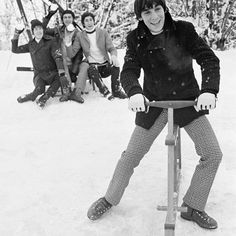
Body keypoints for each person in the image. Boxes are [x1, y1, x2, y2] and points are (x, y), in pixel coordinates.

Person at [87, 0, 222, 230]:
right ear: (140, 16)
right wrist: (134, 92)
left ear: (164, 9)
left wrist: (209, 90)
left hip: (187, 102)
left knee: (212, 153)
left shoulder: (184, 30)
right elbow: (129, 70)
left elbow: (209, 59)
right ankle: (110, 198)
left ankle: (193, 206)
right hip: (154, 105)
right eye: (147, 11)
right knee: (131, 155)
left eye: (157, 9)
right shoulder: (135, 38)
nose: (154, 16)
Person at [66, 12, 127, 100]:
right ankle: (104, 91)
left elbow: (111, 48)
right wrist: (68, 43)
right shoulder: (80, 36)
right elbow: (73, 52)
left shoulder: (103, 33)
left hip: (105, 65)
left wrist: (113, 56)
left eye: (91, 20)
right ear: (83, 23)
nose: (89, 22)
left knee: (116, 66)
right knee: (91, 68)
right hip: (92, 68)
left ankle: (116, 90)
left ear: (94, 21)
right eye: (86, 21)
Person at [12, 19, 69, 108]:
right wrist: (16, 34)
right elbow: (15, 50)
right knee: (39, 89)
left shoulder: (51, 41)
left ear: (43, 30)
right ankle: (31, 96)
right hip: (39, 74)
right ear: (33, 32)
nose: (39, 31)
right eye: (36, 29)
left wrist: (62, 73)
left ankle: (45, 97)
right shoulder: (31, 45)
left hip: (52, 73)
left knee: (58, 81)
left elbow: (58, 57)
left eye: (40, 28)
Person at [43, 8, 88, 103]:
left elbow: (81, 51)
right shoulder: (57, 30)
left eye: (69, 17)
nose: (67, 19)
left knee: (85, 66)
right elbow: (42, 30)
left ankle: (77, 93)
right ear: (62, 19)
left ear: (73, 19)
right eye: (65, 17)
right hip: (61, 62)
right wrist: (49, 16)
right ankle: (66, 92)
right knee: (62, 62)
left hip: (74, 62)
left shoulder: (78, 33)